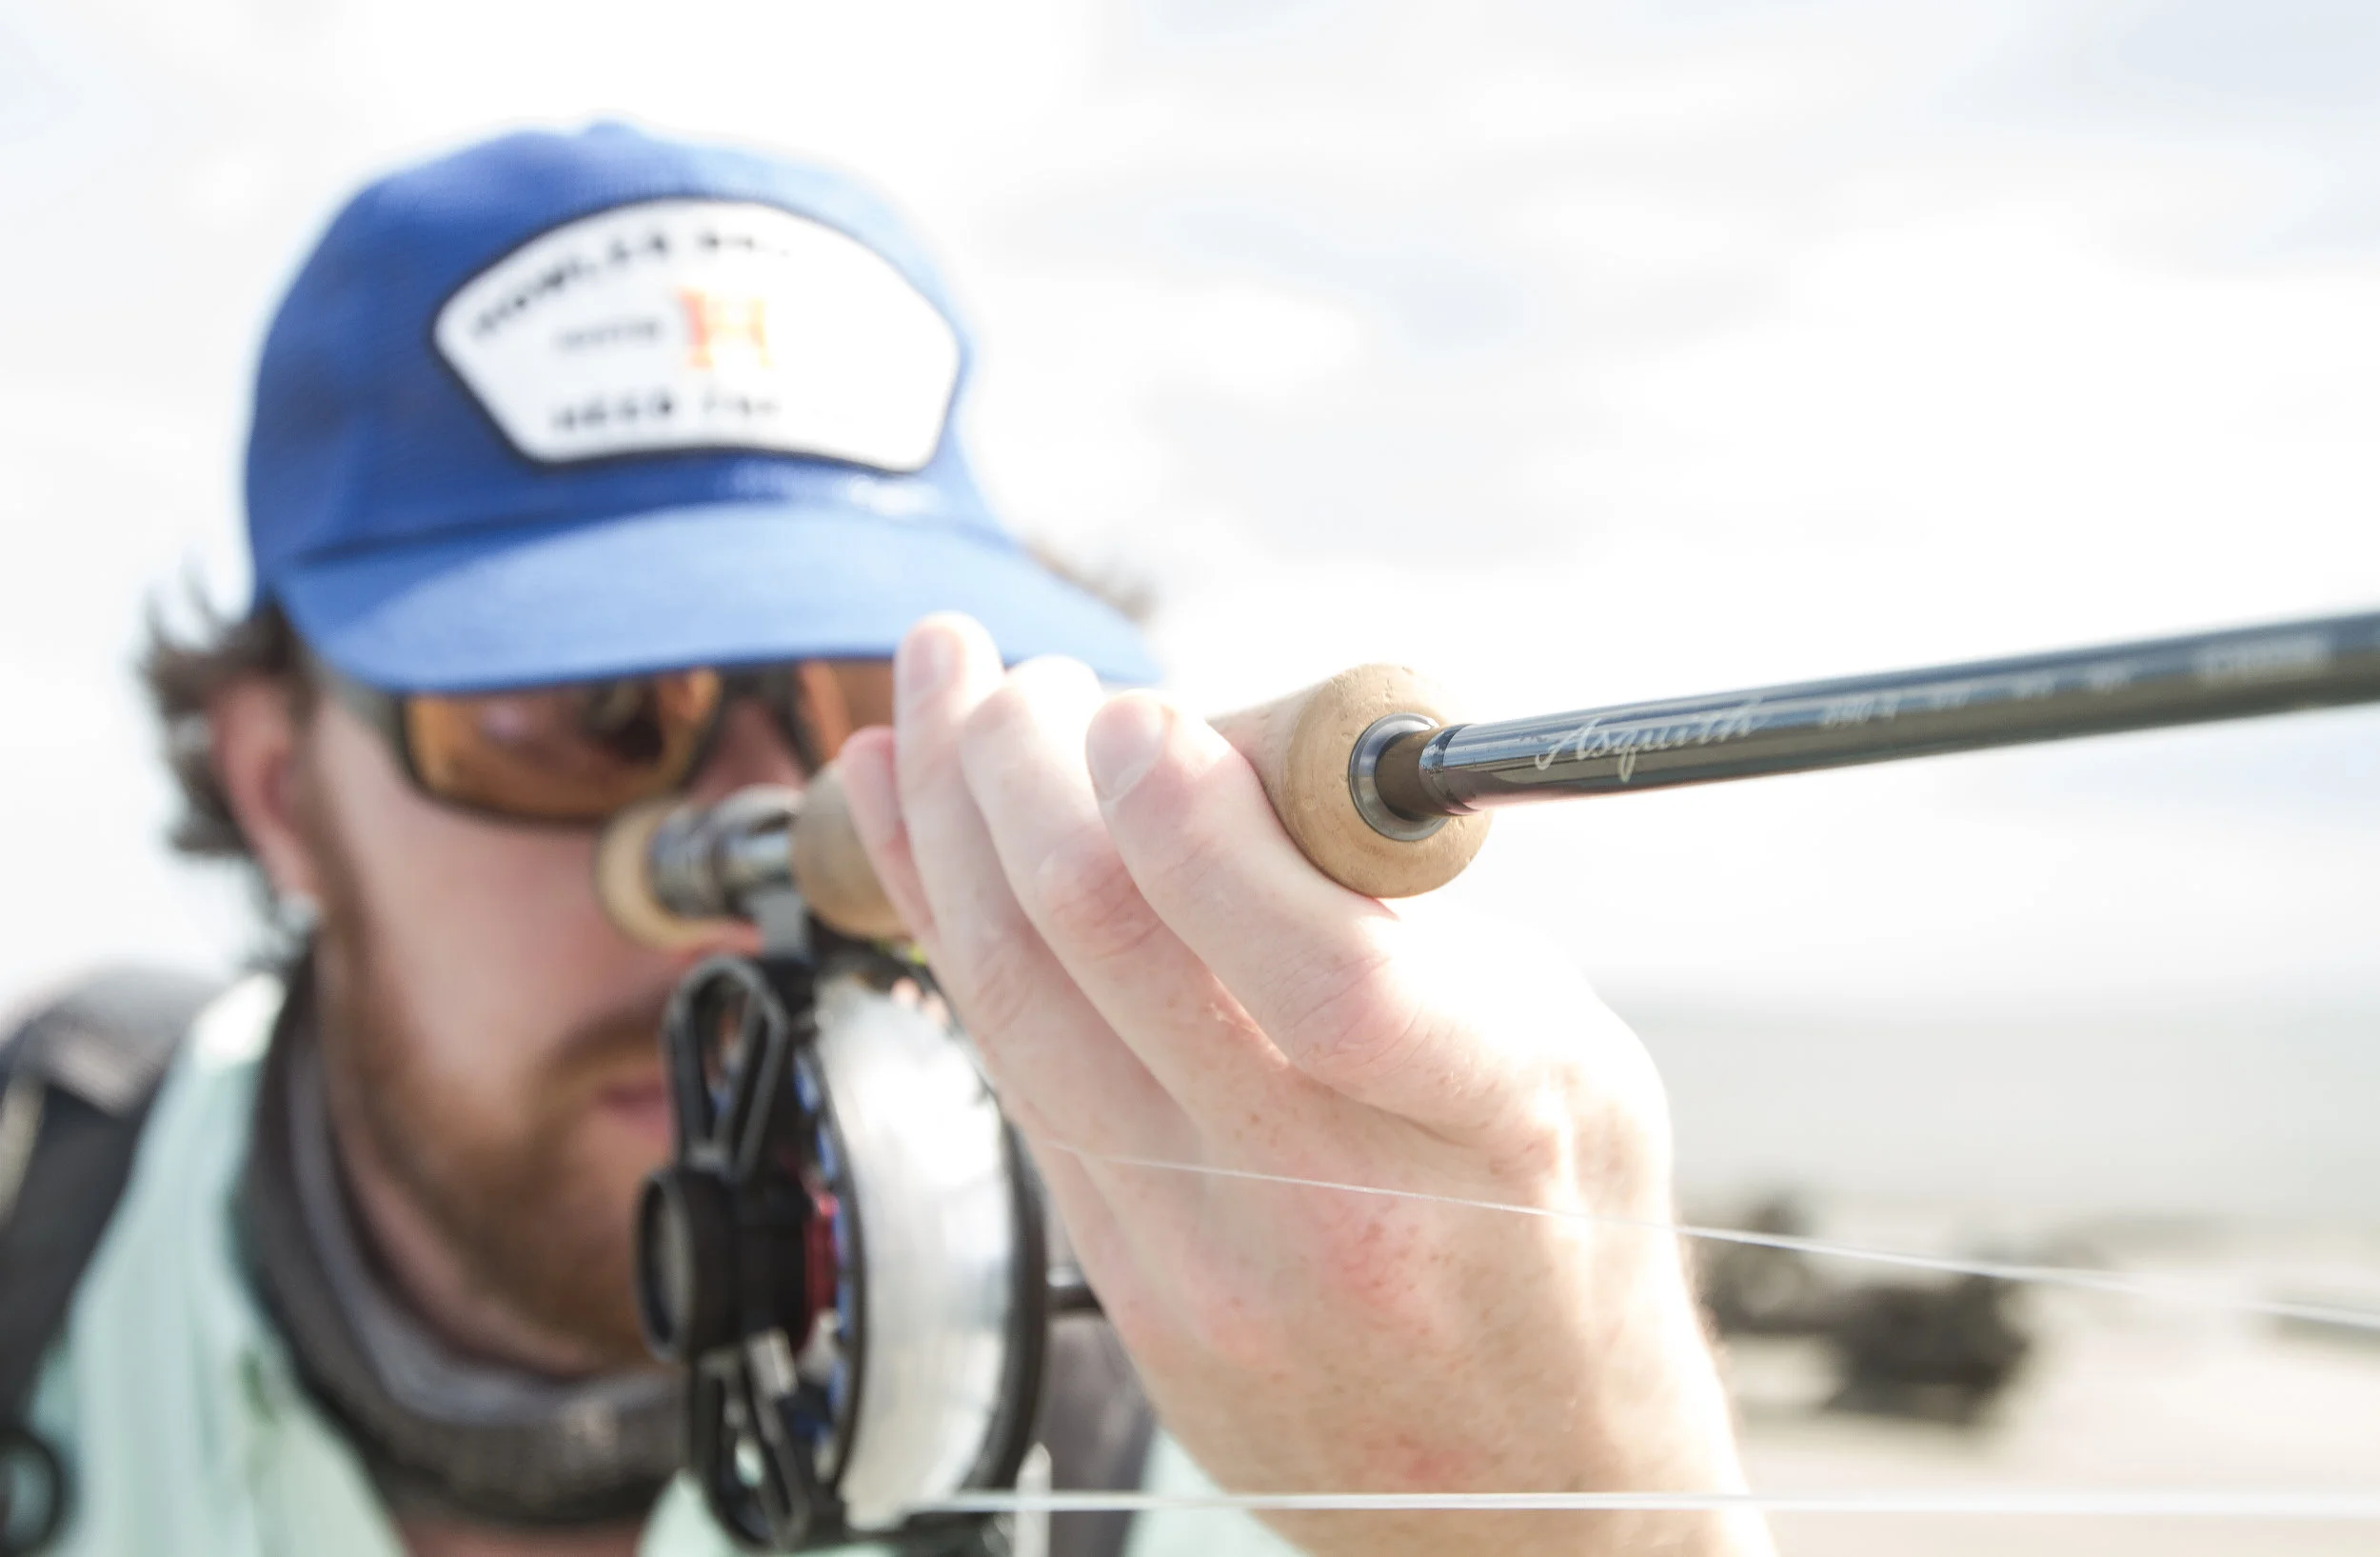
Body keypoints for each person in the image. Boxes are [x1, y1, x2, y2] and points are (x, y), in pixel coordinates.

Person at [8, 123, 1770, 1557]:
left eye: (869, 714)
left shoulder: (1260, 1387)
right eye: (594, 716)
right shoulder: (36, 1217)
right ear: (279, 789)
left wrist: (1592, 1516)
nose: (764, 840)